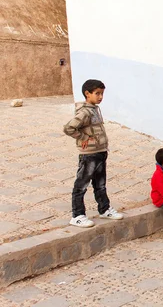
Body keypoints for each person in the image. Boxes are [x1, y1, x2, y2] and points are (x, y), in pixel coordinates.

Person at [63, 79, 123, 228]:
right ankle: (77, 215)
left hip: (100, 152)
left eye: (102, 93)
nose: (100, 97)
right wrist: (83, 138)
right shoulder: (84, 112)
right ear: (87, 94)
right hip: (89, 154)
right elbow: (69, 128)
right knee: (81, 185)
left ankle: (104, 209)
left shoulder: (95, 109)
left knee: (100, 184)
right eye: (97, 93)